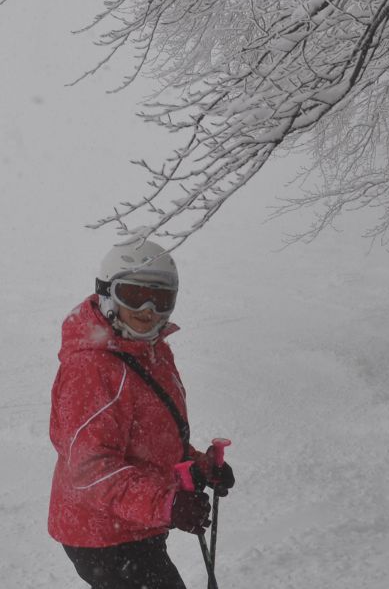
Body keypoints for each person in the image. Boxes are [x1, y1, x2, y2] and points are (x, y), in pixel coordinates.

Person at [48, 240, 235, 589]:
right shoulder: (92, 368)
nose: (148, 310)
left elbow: (150, 437)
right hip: (104, 534)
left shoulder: (148, 349)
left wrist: (196, 467)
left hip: (133, 524)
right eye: (134, 295)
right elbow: (91, 470)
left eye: (160, 299)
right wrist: (167, 503)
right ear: (107, 292)